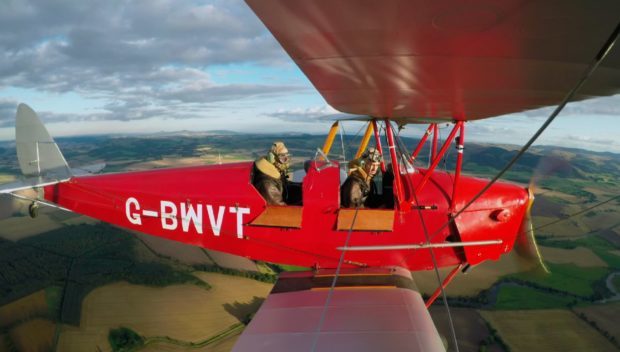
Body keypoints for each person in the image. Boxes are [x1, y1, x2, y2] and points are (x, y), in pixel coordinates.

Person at [252, 141, 291, 205]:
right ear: (272, 158)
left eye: (287, 155)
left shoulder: (276, 171)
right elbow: (280, 209)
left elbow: (285, 187)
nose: (286, 159)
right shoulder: (267, 184)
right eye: (282, 156)